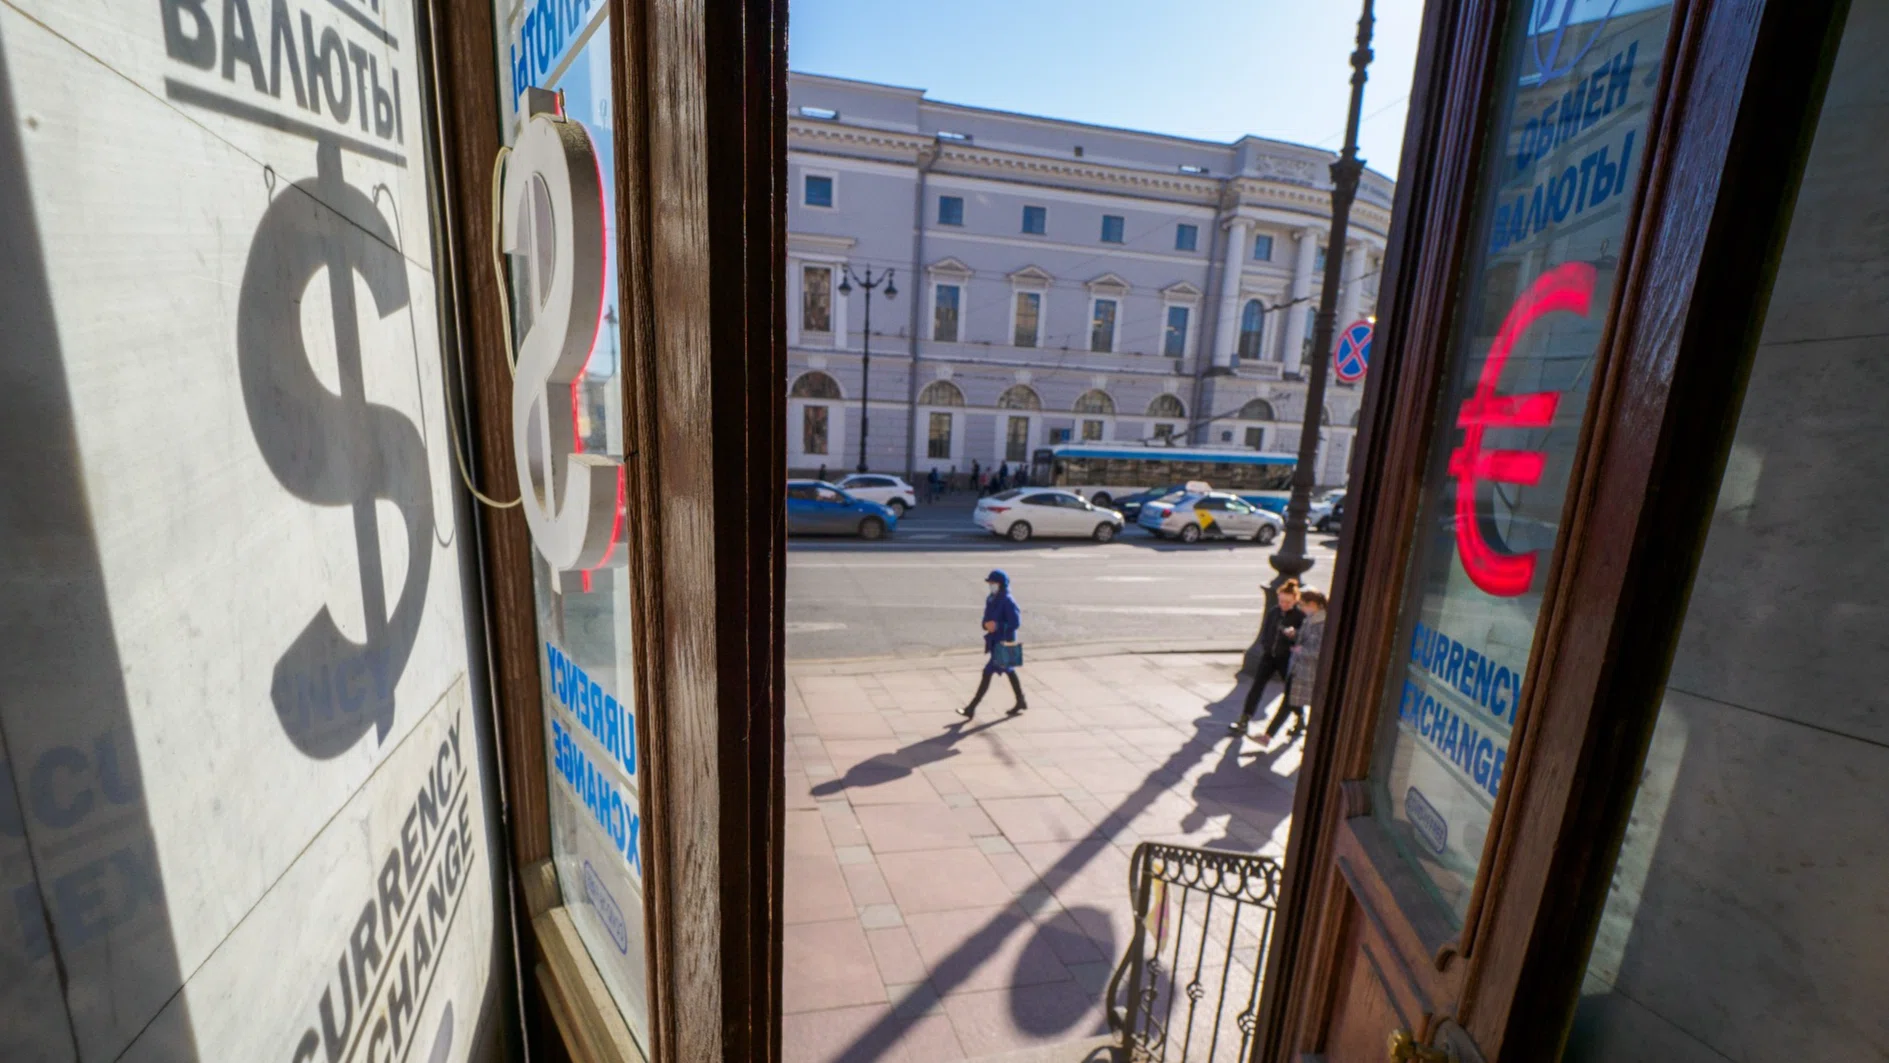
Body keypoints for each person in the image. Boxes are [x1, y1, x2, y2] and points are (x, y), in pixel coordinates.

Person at [1229, 579, 1304, 738]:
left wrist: (1293, 636)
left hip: (1286, 658)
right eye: (1281, 601)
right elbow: (1266, 631)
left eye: (1287, 602)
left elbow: (1303, 638)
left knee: (1291, 692)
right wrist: (1266, 645)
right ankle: (1244, 720)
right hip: (1269, 656)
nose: (1283, 604)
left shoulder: (1299, 616)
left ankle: (1300, 718)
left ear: (1295, 600)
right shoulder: (1274, 612)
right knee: (1256, 687)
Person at [959, 569, 1026, 718]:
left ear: (1000, 584)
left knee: (987, 672)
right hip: (996, 641)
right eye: (990, 583)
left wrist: (997, 626)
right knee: (1009, 670)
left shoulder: (1008, 600)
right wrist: (985, 625)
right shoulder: (991, 599)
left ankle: (971, 708)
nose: (990, 585)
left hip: (1005, 642)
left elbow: (1015, 623)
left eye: (993, 583)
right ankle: (1021, 700)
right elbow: (986, 618)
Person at [1268, 588, 1327, 747]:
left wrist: (1302, 651)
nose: (1301, 608)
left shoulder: (1322, 623)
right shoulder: (1311, 618)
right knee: (1292, 701)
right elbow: (1305, 637)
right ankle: (1296, 727)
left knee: (1294, 702)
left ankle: (1268, 736)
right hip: (1298, 669)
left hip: (1308, 671)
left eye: (1303, 605)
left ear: (1313, 604)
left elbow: (1320, 649)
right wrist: (1295, 634)